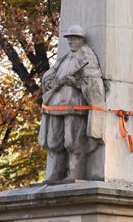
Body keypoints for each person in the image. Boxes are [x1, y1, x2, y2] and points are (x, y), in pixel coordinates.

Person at [38, 25, 105, 182]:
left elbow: (93, 84)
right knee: (54, 140)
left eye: (73, 38)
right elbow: (50, 76)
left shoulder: (87, 57)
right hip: (55, 105)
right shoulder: (65, 57)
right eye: (69, 38)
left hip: (75, 106)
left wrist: (75, 82)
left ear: (81, 39)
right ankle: (56, 172)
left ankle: (75, 173)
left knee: (72, 141)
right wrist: (52, 81)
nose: (70, 41)